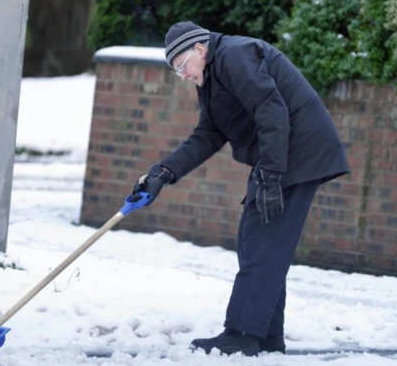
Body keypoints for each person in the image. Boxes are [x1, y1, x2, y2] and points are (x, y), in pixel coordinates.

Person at [131, 21, 351, 356]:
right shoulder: (211, 78)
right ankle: (265, 336)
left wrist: (272, 175)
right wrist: (164, 172)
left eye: (181, 66)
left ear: (200, 50)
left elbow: (271, 109)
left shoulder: (235, 55)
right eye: (176, 71)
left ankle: (242, 334)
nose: (183, 75)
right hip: (280, 154)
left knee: (262, 240)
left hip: (298, 150)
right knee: (259, 243)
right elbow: (208, 135)